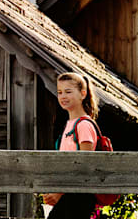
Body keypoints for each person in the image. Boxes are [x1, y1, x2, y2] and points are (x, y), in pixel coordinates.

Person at [42, 72, 103, 219]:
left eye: (68, 92)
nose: (63, 96)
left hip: (77, 196)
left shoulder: (84, 125)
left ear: (83, 94)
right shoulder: (70, 125)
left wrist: (59, 192)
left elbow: (85, 166)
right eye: (60, 92)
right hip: (68, 194)